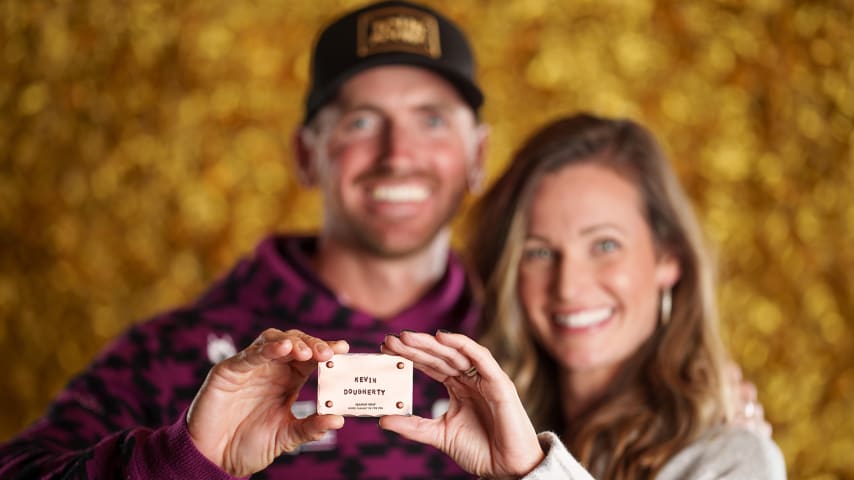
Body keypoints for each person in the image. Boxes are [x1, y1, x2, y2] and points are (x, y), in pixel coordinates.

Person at [0, 1, 489, 478]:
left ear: (478, 156)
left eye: (432, 120)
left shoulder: (526, 342)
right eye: (360, 121)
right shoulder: (176, 350)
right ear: (304, 155)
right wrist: (181, 460)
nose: (398, 155)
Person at [380, 113, 787, 479]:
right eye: (538, 252)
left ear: (668, 258)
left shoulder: (734, 460)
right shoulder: (463, 417)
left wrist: (531, 472)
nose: (568, 286)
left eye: (605, 246)